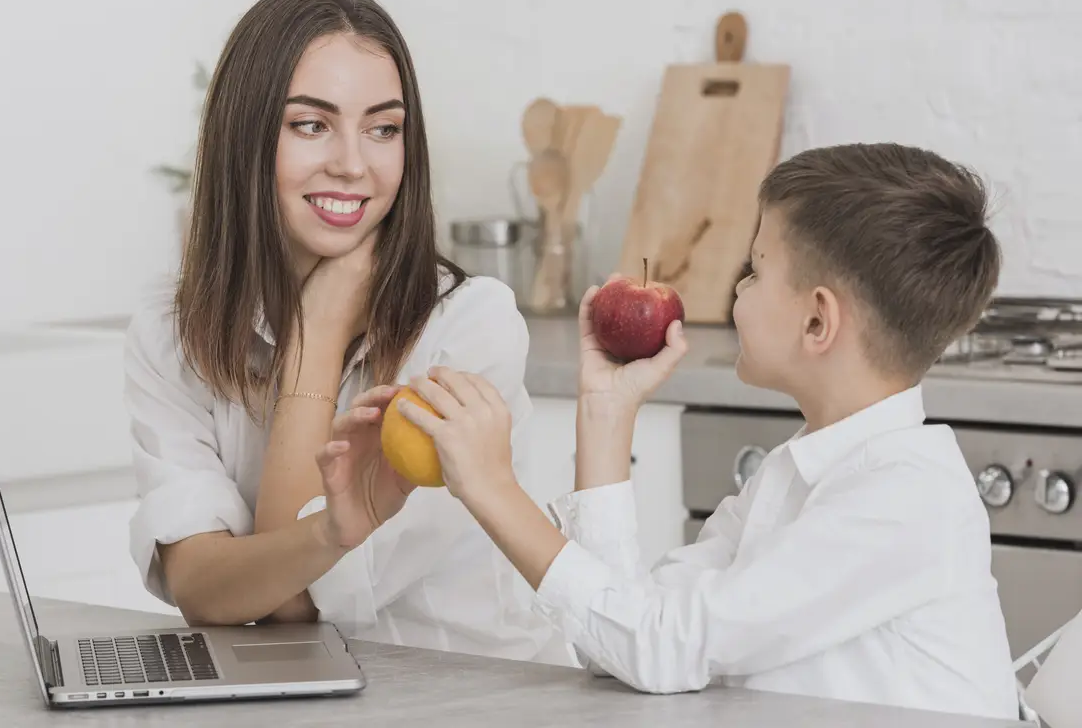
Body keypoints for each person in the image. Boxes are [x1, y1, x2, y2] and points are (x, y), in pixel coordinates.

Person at [378, 143, 1021, 719]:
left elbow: (657, 647)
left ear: (818, 323)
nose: (734, 290)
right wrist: (606, 416)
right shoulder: (797, 473)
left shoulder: (903, 503)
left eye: (755, 270)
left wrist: (492, 490)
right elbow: (625, 645)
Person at [123, 0, 568, 665]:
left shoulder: (469, 328)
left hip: (470, 697)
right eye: (310, 124)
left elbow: (289, 605)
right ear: (244, 139)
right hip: (293, 697)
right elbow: (200, 588)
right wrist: (317, 325)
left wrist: (316, 335)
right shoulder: (171, 328)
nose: (354, 164)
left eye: (383, 129)